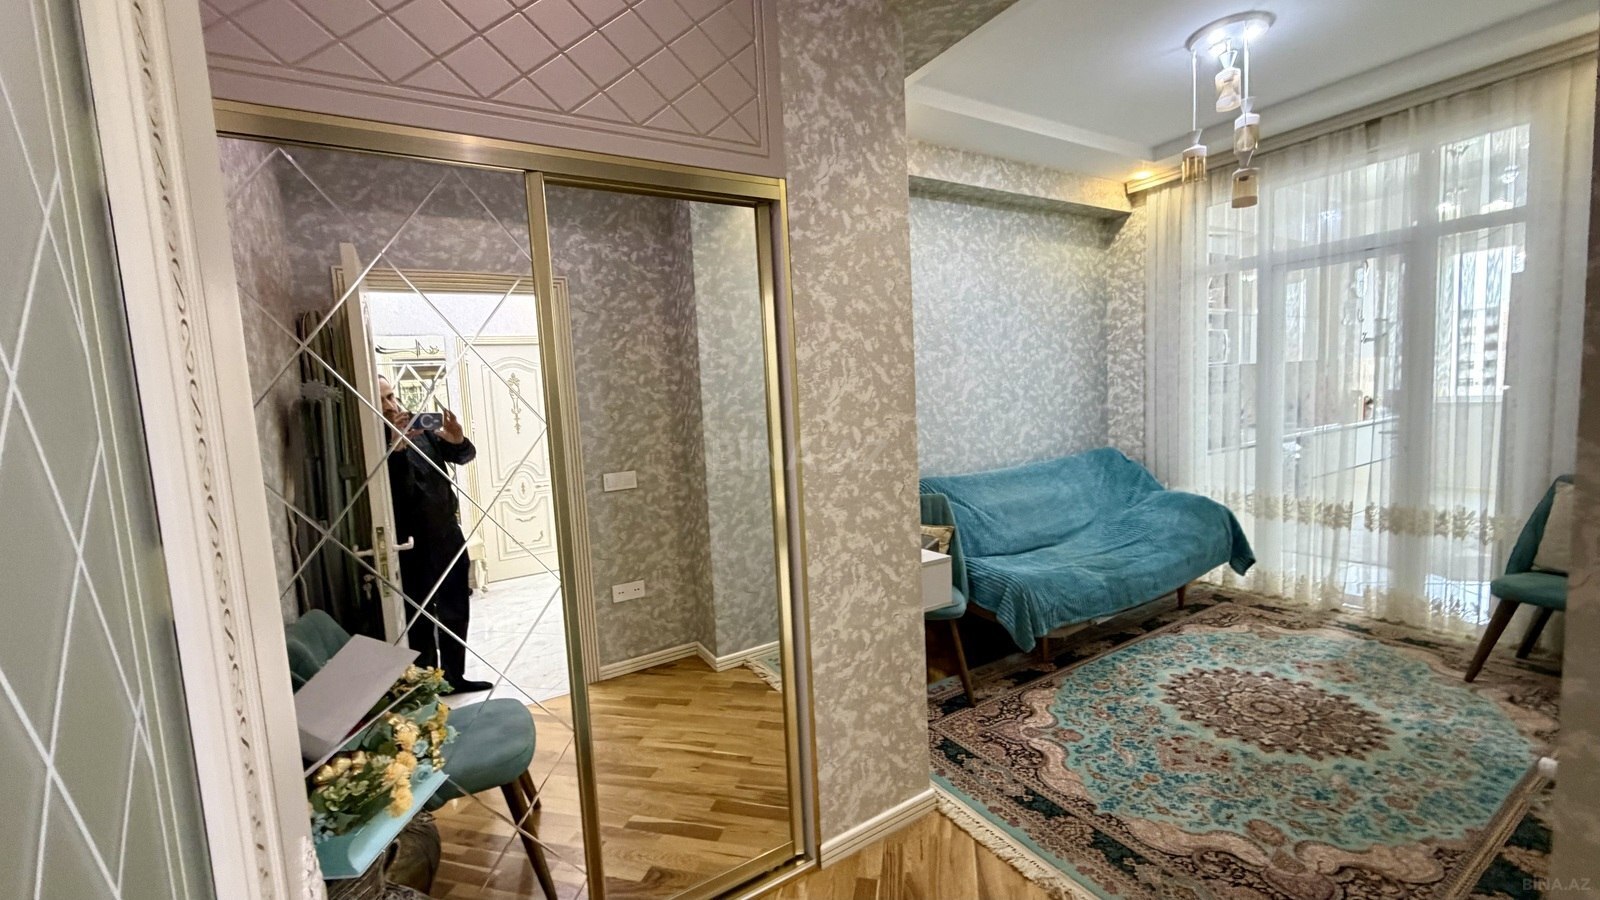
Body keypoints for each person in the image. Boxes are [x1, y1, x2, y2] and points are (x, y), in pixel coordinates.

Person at [378, 376, 493, 694]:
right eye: (382, 400)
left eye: (391, 396)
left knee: (456, 606)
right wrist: (397, 448)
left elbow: (463, 457)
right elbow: (399, 495)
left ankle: (455, 676)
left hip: (447, 533)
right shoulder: (371, 438)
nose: (391, 405)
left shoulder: (420, 426)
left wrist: (457, 440)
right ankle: (427, 686)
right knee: (420, 616)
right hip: (410, 542)